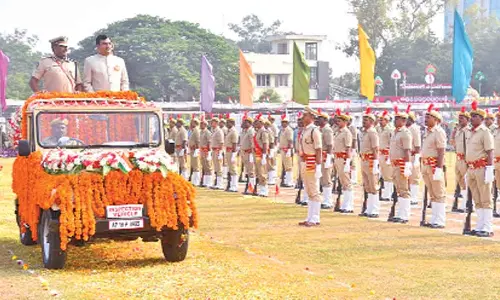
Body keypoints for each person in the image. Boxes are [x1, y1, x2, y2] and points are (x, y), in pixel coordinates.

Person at [466, 101, 494, 237]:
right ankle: (479, 225)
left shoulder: (485, 132)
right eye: (472, 116)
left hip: (481, 167)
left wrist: (489, 169)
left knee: (485, 198)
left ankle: (487, 227)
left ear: (482, 119)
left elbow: (490, 152)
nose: (472, 118)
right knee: (476, 198)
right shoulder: (471, 132)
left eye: (475, 116)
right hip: (471, 168)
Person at [421, 104, 447, 229]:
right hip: (426, 165)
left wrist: (439, 168)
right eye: (425, 117)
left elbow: (441, 151)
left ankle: (440, 220)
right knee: (432, 193)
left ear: (436, 120)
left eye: (428, 117)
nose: (425, 119)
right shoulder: (427, 132)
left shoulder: (439, 132)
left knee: (439, 193)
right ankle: (434, 218)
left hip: (434, 165)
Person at [298, 107, 322, 226]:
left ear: (311, 117)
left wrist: (318, 165)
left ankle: (315, 217)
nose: (303, 117)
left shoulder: (314, 131)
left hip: (312, 162)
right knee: (308, 190)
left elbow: (318, 149)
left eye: (305, 115)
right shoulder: (305, 130)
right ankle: (310, 216)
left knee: (313, 190)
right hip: (305, 161)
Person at [388, 107, 413, 223]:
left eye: (397, 119)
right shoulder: (395, 132)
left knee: (404, 189)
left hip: (402, 163)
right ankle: (400, 212)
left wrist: (407, 165)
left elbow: (407, 150)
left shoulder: (405, 133)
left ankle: (404, 214)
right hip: (395, 164)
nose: (395, 120)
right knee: (399, 189)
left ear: (403, 121)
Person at [359, 107, 380, 217]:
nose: (363, 122)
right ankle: (369, 208)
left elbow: (376, 148)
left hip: (371, 160)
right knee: (367, 185)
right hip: (364, 160)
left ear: (371, 122)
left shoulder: (372, 132)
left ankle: (374, 209)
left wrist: (376, 163)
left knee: (373, 185)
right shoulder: (364, 132)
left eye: (366, 120)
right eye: (363, 119)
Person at [333, 109, 354, 213]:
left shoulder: (347, 133)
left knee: (346, 182)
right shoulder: (338, 132)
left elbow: (348, 148)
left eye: (340, 121)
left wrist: (348, 161)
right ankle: (345, 204)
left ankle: (349, 205)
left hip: (343, 158)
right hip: (337, 158)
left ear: (345, 122)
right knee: (342, 182)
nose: (338, 122)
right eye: (338, 121)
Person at [450, 106, 470, 212]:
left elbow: (469, 146)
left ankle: (467, 203)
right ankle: (464, 202)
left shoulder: (468, 131)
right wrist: (453, 134)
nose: (460, 120)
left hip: (465, 159)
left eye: (462, 118)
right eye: (459, 118)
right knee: (461, 181)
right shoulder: (458, 131)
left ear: (467, 120)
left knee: (467, 182)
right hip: (458, 158)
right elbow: (453, 144)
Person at [317, 110, 334, 209]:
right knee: (322, 179)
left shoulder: (327, 130)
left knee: (327, 179)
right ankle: (325, 199)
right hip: (320, 156)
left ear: (325, 120)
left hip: (325, 156)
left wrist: (328, 157)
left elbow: (330, 144)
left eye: (320, 118)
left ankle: (328, 201)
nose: (318, 120)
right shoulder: (320, 129)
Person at [406, 108, 422, 205]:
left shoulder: (414, 128)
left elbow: (417, 144)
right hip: (406, 156)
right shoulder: (406, 129)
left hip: (413, 155)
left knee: (414, 177)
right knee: (407, 177)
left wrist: (416, 158)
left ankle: (414, 197)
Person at [378, 111, 394, 201]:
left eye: (382, 120)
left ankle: (388, 194)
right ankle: (385, 193)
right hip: (380, 154)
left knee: (388, 175)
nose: (380, 121)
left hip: (386, 154)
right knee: (383, 175)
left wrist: (389, 156)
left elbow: (392, 144)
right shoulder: (379, 129)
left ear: (387, 121)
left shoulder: (390, 130)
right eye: (380, 119)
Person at [253, 114, 270, 197]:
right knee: (258, 172)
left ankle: (265, 189)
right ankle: (261, 189)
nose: (255, 123)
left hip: (261, 154)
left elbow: (265, 144)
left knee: (262, 172)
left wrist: (264, 155)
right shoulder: (258, 131)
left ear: (261, 123)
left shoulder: (263, 131)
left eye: (257, 122)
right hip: (256, 154)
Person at [241, 114, 256, 194]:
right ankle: (249, 187)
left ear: (249, 123)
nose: (243, 123)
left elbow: (252, 143)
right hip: (244, 153)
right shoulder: (244, 131)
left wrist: (251, 153)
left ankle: (252, 188)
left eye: (245, 122)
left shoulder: (251, 131)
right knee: (247, 171)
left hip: (249, 153)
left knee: (251, 171)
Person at [225, 115, 239, 192]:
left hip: (231, 151)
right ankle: (231, 185)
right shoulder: (229, 131)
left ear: (232, 123)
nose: (226, 124)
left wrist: (234, 154)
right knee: (230, 169)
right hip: (228, 151)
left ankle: (234, 186)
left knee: (233, 169)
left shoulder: (233, 132)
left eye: (228, 122)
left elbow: (234, 144)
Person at [279, 114, 294, 187]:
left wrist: (289, 150)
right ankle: (286, 180)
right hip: (283, 149)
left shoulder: (288, 130)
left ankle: (289, 181)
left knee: (288, 166)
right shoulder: (283, 130)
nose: (283, 123)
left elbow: (290, 141)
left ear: (287, 123)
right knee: (285, 166)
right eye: (282, 122)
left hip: (286, 150)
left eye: (285, 122)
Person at [199, 116, 213, 187]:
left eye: (202, 124)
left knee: (208, 167)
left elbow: (209, 142)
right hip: (202, 150)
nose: (200, 125)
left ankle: (209, 182)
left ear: (205, 125)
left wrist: (209, 152)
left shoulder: (207, 132)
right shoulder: (201, 132)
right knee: (204, 166)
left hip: (206, 151)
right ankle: (205, 181)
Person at [264, 118, 277, 185]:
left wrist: (271, 151)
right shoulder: (265, 131)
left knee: (270, 164)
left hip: (269, 149)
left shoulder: (269, 131)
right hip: (266, 149)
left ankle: (272, 179)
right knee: (266, 164)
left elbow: (272, 141)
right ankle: (269, 178)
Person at [189, 117, 201, 186]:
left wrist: (197, 149)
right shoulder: (193, 130)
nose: (191, 124)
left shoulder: (196, 130)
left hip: (195, 150)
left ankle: (196, 181)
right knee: (193, 165)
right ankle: (194, 180)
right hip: (192, 149)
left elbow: (198, 141)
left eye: (192, 122)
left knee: (196, 165)